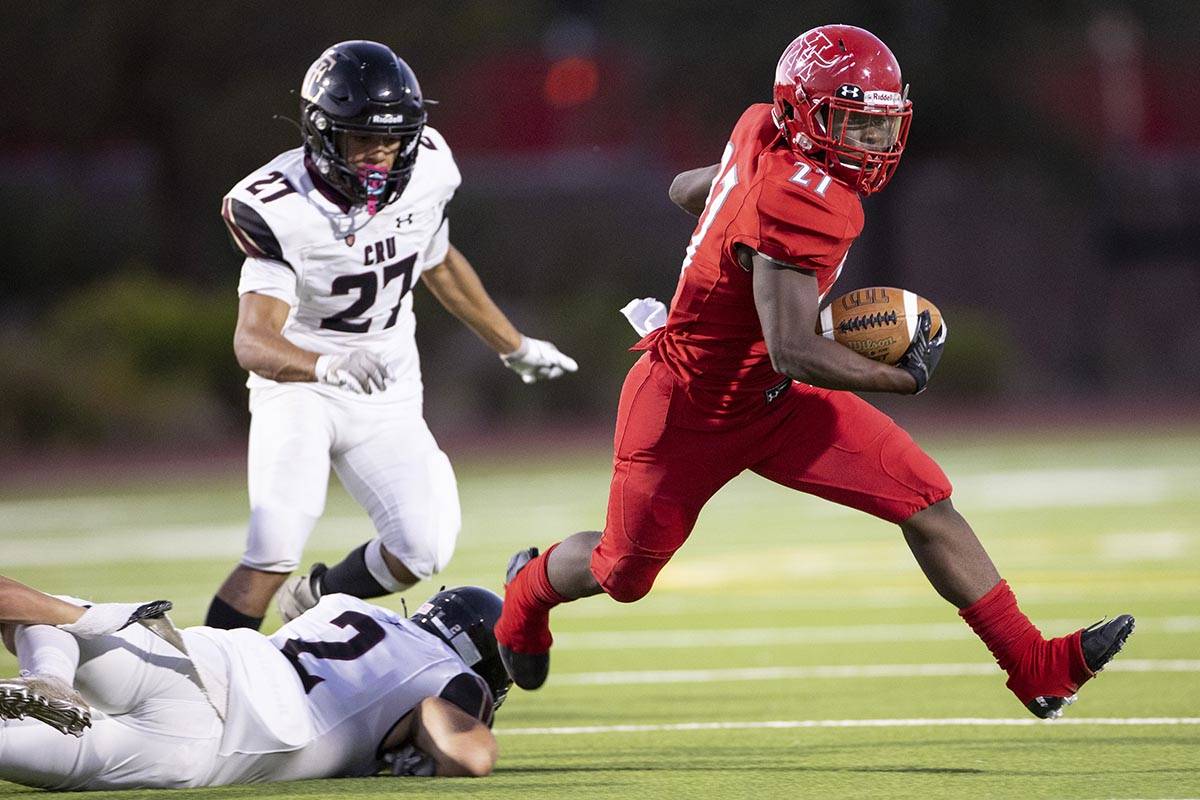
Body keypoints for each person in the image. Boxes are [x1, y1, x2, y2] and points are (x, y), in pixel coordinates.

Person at [493, 24, 1135, 719]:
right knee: (622, 573)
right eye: (854, 123)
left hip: (770, 403)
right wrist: (902, 377)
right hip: (685, 409)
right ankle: (527, 592)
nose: (872, 143)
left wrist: (729, 203)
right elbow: (792, 347)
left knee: (925, 499)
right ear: (803, 115)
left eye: (878, 124)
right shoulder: (803, 201)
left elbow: (686, 188)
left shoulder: (760, 130)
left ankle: (1034, 665)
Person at [210, 40, 576, 632]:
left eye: (392, 139)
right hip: (300, 387)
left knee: (423, 547)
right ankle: (206, 693)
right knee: (273, 547)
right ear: (323, 133)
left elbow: (438, 261)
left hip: (388, 387)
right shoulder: (277, 206)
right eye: (362, 140)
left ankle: (318, 596)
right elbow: (252, 341)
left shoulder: (429, 168)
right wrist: (325, 365)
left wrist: (516, 346)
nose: (380, 155)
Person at [0, 574, 509, 789]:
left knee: (46, 613)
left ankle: (48, 675)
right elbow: (473, 755)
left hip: (200, 657)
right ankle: (50, 676)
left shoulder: (346, 605)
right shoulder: (452, 678)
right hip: (212, 748)